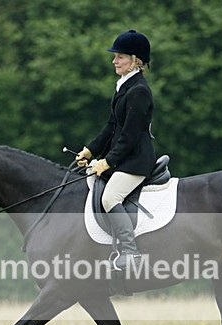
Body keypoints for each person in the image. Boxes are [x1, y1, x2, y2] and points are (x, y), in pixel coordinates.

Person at [76, 29, 155, 275]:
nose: (114, 61)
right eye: (116, 56)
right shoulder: (124, 86)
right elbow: (112, 126)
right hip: (125, 157)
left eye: (120, 56)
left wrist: (108, 162)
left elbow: (130, 135)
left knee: (110, 198)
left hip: (136, 160)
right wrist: (90, 150)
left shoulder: (138, 90)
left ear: (135, 60)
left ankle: (130, 253)